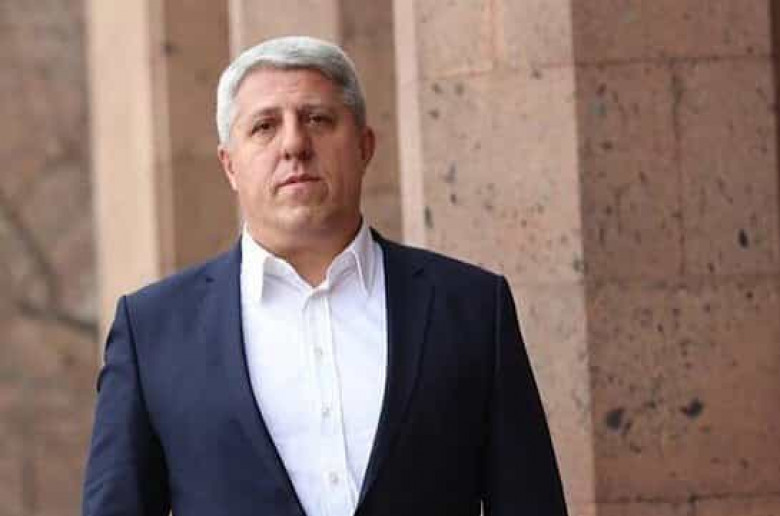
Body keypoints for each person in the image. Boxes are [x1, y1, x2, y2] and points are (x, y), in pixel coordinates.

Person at [82, 36, 567, 516]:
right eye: (265, 126)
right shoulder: (153, 331)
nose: (294, 144)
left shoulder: (471, 308)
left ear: (364, 146)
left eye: (317, 119)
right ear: (229, 165)